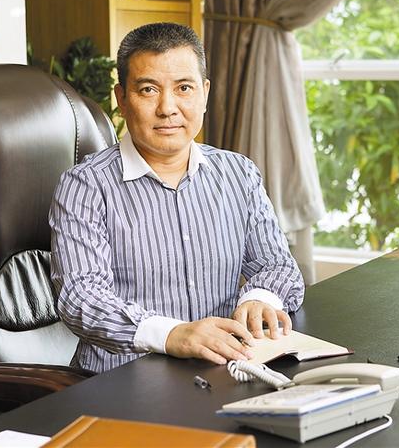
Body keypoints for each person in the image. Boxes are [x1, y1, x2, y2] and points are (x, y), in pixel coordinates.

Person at [50, 22, 305, 373]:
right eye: (148, 90)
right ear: (121, 99)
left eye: (184, 88)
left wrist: (259, 298)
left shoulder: (238, 173)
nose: (167, 108)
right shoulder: (85, 186)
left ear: (204, 93)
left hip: (222, 371)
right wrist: (171, 334)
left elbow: (277, 265)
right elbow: (82, 298)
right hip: (122, 381)